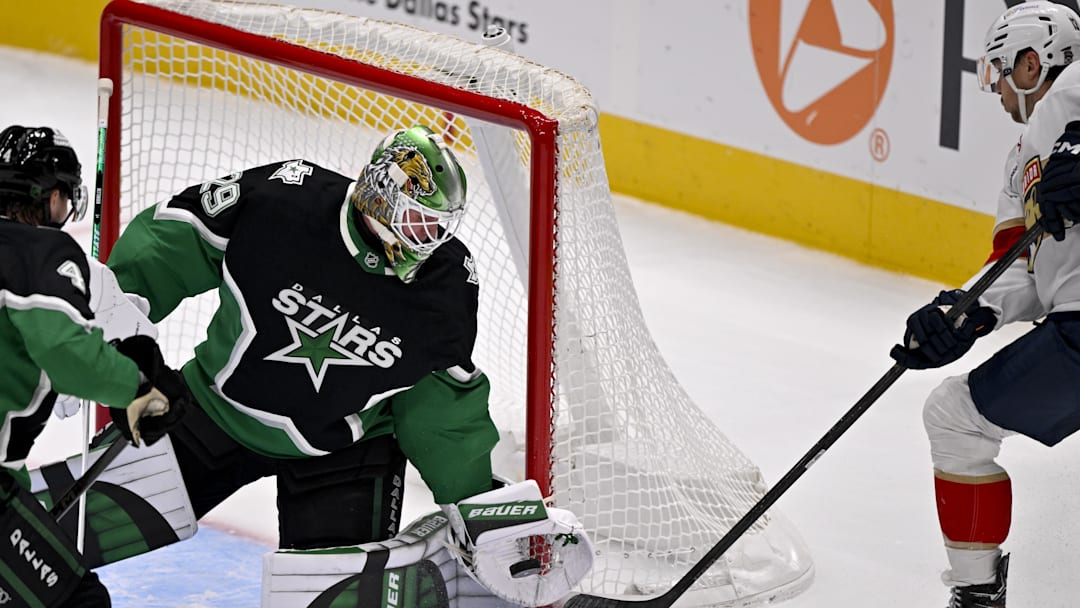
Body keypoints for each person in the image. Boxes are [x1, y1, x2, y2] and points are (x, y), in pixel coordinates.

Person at [97, 125, 592, 605]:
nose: (431, 240)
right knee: (72, 532)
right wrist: (111, 347)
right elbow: (167, 244)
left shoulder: (444, 284)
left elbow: (437, 407)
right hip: (212, 412)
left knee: (334, 600)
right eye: (422, 221)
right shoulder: (283, 202)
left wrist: (472, 501)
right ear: (381, 199)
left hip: (341, 453)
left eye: (440, 226)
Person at [888, 3, 1080, 606]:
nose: (995, 88)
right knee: (954, 415)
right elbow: (1022, 268)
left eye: (999, 72)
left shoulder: (1073, 90)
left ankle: (978, 596)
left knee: (953, 418)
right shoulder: (1019, 162)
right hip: (1074, 330)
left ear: (1032, 63)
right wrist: (968, 312)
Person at [0, 125, 187, 607]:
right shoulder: (39, 252)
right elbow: (64, 349)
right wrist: (136, 388)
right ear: (50, 195)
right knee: (78, 601)